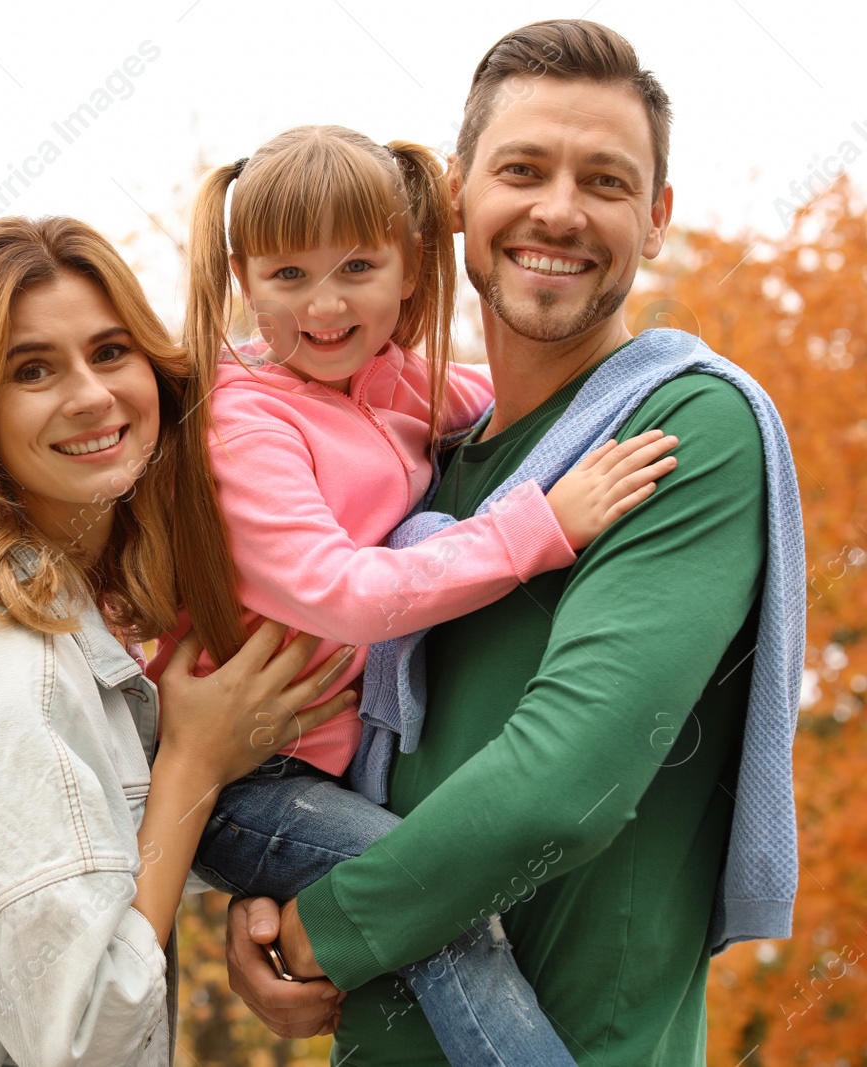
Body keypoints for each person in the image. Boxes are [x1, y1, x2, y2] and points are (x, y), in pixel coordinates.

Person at [225, 20, 803, 1066]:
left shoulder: (676, 431)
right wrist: (261, 882)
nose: (559, 209)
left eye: (607, 181)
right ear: (455, 196)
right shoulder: (422, 471)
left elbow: (562, 782)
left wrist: (317, 930)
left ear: (657, 219)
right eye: (522, 169)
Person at [141, 124, 677, 1066]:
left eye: (357, 265)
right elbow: (344, 595)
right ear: (241, 274)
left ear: (410, 266)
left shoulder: (389, 379)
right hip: (245, 776)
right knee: (445, 911)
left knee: (437, 912)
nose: (327, 304)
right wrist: (540, 525)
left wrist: (660, 378)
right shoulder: (244, 417)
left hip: (327, 765)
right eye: (288, 275)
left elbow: (519, 401)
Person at [0, 216, 355, 1066]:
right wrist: (192, 768)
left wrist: (266, 905)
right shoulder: (0, 668)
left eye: (109, 352)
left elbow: (91, 882)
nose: (92, 395)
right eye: (33, 370)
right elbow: (88, 1039)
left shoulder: (77, 635)